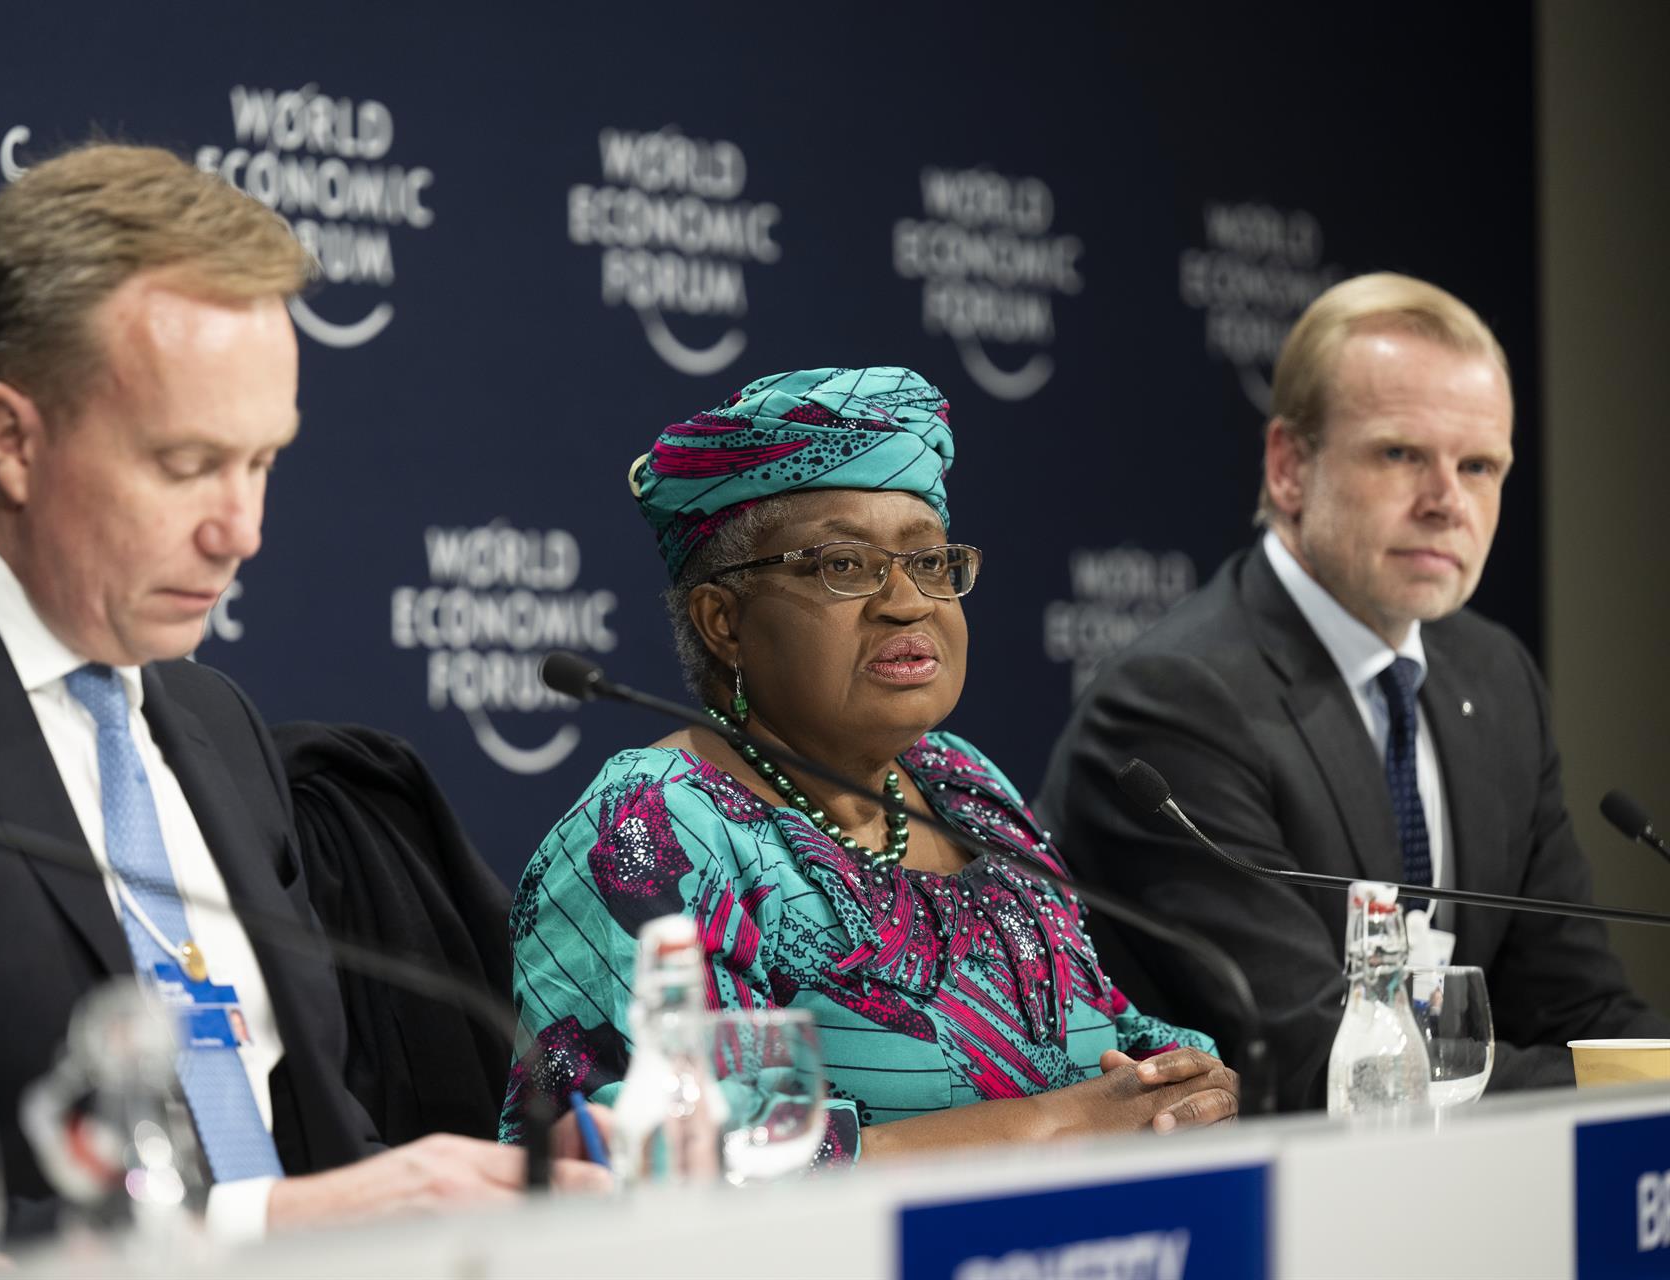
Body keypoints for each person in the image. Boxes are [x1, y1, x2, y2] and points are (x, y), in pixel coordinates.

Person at [0, 143, 603, 1246]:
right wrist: (266, 1223)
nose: (242, 529)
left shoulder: (215, 723)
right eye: (188, 462)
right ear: (13, 438)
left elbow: (310, 1146)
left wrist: (484, 1183)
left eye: (263, 462)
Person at [501, 367, 1238, 1161]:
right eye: (845, 566)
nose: (908, 601)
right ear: (723, 621)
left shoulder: (961, 784)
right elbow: (650, 1160)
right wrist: (1053, 1127)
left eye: (929, 562)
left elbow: (1107, 1025)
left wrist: (1183, 1082)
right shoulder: (653, 827)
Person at [1035, 272, 1670, 1110]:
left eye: (1480, 465)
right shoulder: (1178, 701)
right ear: (1290, 467)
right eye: (1402, 454)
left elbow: (1574, 1002)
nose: (1449, 503)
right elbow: (1320, 1061)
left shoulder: (1495, 676)